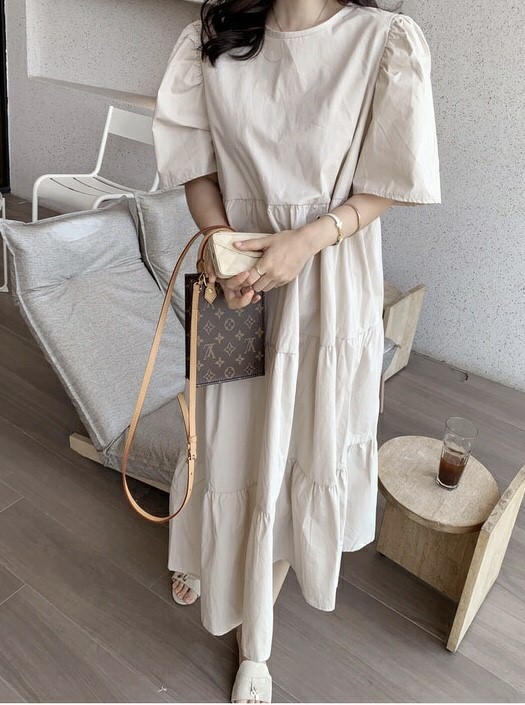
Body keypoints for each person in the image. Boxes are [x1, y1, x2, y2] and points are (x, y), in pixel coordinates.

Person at [151, 0, 441, 701]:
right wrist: (219, 241)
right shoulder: (211, 39)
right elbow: (197, 169)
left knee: (297, 441)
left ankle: (256, 639)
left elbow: (386, 183)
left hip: (327, 282)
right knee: (222, 435)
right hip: (237, 282)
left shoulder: (384, 41)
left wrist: (306, 241)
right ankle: (203, 547)